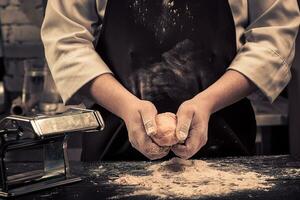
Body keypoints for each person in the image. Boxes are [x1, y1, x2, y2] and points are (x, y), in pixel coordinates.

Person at [41, 0, 300, 161]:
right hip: (114, 140)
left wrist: (207, 103)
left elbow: (273, 37)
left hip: (224, 135)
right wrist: (127, 106)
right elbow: (66, 39)